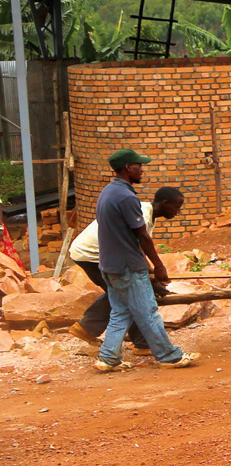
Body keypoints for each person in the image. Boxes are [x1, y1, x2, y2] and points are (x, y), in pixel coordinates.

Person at [88, 150, 198, 372]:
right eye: (139, 165)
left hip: (109, 265)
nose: (143, 169)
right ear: (128, 167)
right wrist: (158, 265)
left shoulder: (107, 192)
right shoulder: (127, 198)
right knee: (148, 311)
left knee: (121, 312)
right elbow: (142, 236)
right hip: (128, 265)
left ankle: (108, 358)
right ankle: (169, 356)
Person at [71, 183, 183, 343]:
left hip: (105, 253)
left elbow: (139, 248)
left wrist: (150, 273)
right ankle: (86, 328)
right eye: (176, 207)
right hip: (91, 253)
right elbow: (139, 245)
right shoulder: (142, 213)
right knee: (123, 292)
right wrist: (156, 270)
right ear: (165, 204)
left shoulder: (148, 215)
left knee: (128, 293)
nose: (178, 212)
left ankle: (141, 342)